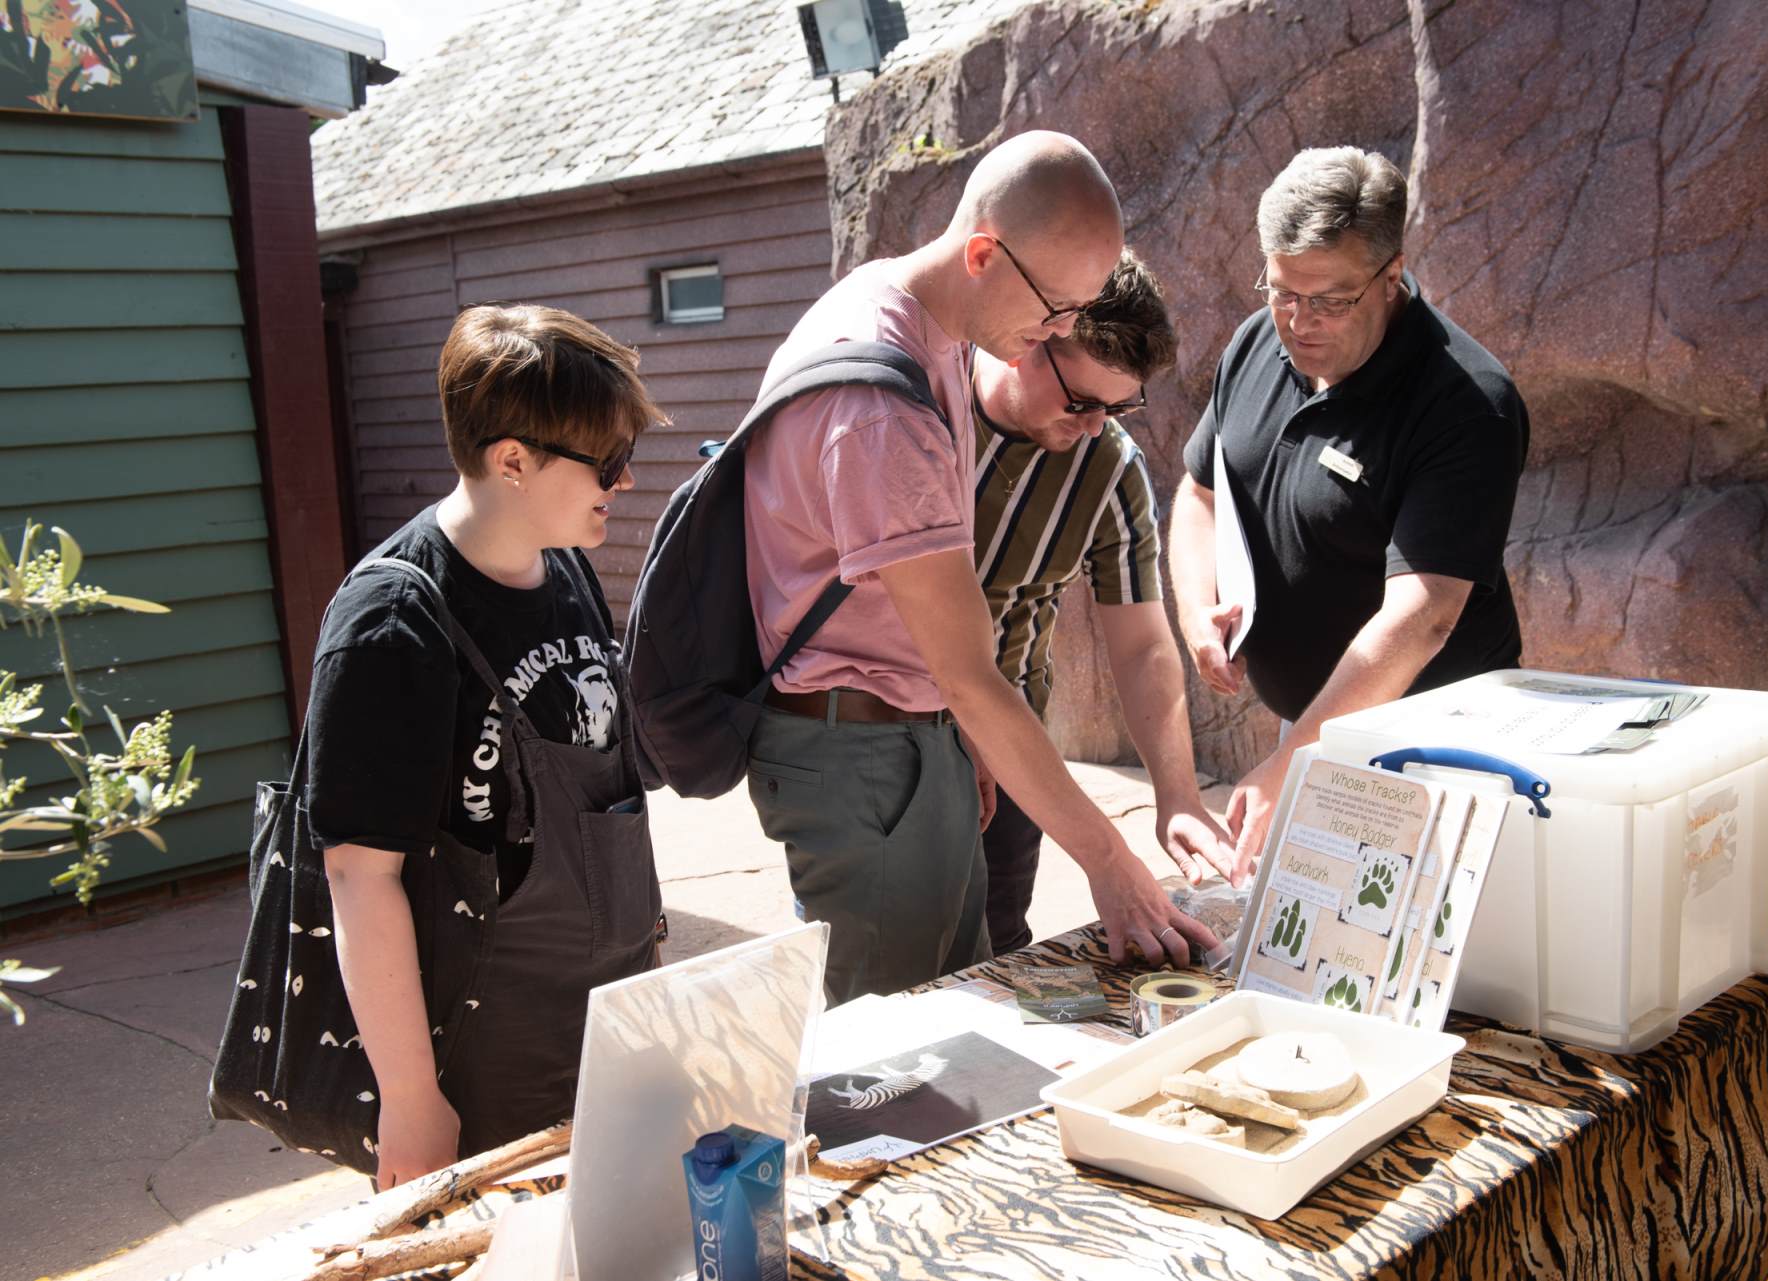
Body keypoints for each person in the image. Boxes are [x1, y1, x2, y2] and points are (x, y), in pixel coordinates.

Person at [742, 130, 1218, 1004]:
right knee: (893, 1043)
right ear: (984, 255)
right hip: (869, 748)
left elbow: (968, 668)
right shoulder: (885, 404)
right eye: (1057, 310)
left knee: (959, 1003)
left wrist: (968, 740)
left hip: (924, 737)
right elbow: (967, 669)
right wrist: (1109, 861)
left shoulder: (932, 331)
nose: (1062, 327)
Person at [306, 304, 667, 1187]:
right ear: (512, 461)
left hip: (617, 1019)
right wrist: (409, 1097)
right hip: (484, 1054)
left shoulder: (567, 563)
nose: (622, 481)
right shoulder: (392, 622)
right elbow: (358, 877)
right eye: (607, 461)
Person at [1168, 146, 1530, 875]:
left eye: (1330, 301)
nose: (1299, 322)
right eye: (1282, 291)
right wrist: (1195, 609)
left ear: (1391, 277)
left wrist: (1297, 761)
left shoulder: (1467, 403)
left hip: (1435, 749)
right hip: (1310, 730)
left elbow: (1423, 615)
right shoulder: (1255, 343)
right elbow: (1199, 492)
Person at [970, 249, 1236, 956]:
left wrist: (1177, 794)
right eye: (1082, 402)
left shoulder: (1110, 465)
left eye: (1118, 407)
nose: (1095, 427)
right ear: (1030, 339)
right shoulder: (927, 406)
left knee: (999, 943)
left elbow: (1143, 644)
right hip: (880, 726)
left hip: (1015, 741)